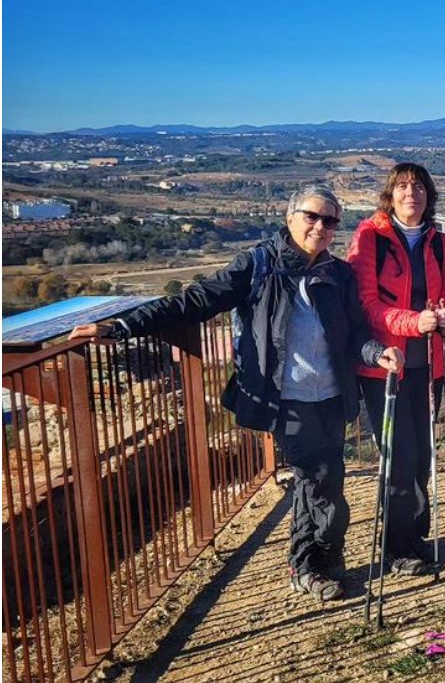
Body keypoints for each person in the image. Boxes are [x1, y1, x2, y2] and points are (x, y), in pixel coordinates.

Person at [69, 185, 403, 601]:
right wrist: (123, 327)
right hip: (287, 398)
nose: (320, 226)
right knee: (317, 478)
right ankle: (309, 565)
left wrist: (376, 352)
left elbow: (355, 333)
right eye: (312, 216)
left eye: (330, 220)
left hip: (332, 396)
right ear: (290, 217)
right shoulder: (258, 265)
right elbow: (195, 302)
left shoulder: (337, 274)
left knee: (327, 478)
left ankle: (324, 559)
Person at [348, 162, 445, 576]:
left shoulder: (440, 243)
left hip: (431, 364)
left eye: (418, 186)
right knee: (399, 456)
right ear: (390, 194)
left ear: (429, 195)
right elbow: (366, 305)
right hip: (386, 367)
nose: (410, 193)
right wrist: (413, 323)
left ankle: (415, 536)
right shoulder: (370, 238)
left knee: (421, 458)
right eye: (402, 186)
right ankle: (398, 550)